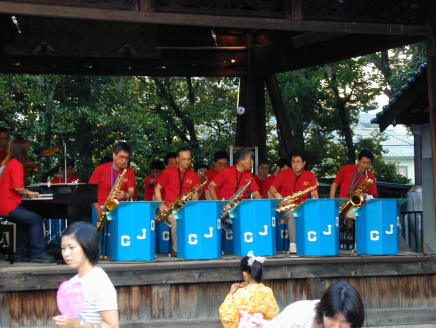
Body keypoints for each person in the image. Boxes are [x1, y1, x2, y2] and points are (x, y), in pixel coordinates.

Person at [53, 222, 119, 328]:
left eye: (71, 247)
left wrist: (78, 324)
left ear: (87, 247)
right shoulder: (73, 281)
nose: (66, 253)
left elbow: (113, 326)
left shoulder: (99, 282)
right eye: (63, 248)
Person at [0, 137, 54, 263]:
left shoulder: (10, 163)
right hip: (8, 206)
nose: (29, 151)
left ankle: (21, 254)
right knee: (36, 219)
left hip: (4, 205)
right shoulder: (17, 164)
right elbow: (18, 188)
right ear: (22, 150)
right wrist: (30, 192)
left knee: (25, 221)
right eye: (28, 148)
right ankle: (38, 253)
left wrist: (27, 193)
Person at [154, 146, 200, 256]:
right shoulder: (168, 172)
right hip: (170, 209)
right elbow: (157, 188)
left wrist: (194, 208)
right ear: (178, 159)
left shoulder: (193, 175)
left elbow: (195, 195)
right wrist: (161, 205)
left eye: (188, 159)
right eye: (184, 159)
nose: (186, 162)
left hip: (186, 208)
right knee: (176, 221)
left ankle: (194, 247)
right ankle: (176, 250)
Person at [269, 152, 318, 254]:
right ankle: (293, 245)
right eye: (293, 161)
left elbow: (314, 193)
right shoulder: (284, 174)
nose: (295, 164)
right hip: (285, 207)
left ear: (304, 163)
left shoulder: (310, 175)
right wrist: (278, 195)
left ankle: (314, 244)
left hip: (302, 207)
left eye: (298, 162)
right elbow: (272, 188)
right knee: (292, 214)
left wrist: (314, 199)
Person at [264, 281, 365, 328]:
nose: (336, 326)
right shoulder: (295, 317)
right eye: (332, 319)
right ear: (322, 311)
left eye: (344, 322)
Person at [219, 252, 279, 328]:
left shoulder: (239, 293)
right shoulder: (267, 291)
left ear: (244, 273)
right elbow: (273, 314)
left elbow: (228, 317)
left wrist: (230, 294)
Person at [89, 142, 136, 219]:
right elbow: (91, 190)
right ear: (114, 155)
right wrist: (97, 208)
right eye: (121, 157)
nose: (124, 160)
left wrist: (125, 195)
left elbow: (131, 192)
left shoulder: (130, 171)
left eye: (126, 158)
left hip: (120, 210)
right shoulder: (100, 169)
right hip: (100, 209)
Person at [329, 149, 378, 219]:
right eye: (363, 162)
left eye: (368, 163)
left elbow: (374, 196)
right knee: (365, 215)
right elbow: (334, 185)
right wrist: (331, 202)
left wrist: (366, 196)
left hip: (360, 206)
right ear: (358, 161)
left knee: (373, 213)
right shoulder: (346, 169)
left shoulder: (370, 176)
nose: (365, 165)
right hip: (344, 205)